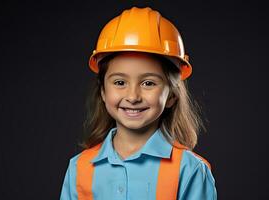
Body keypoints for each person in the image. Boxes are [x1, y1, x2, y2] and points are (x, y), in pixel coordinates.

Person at [60, 6, 217, 200]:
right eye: (120, 82)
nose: (133, 96)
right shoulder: (79, 168)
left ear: (171, 96)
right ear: (103, 91)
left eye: (148, 83)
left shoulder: (190, 170)